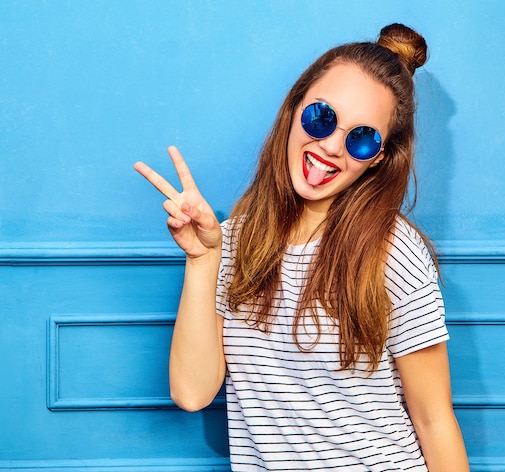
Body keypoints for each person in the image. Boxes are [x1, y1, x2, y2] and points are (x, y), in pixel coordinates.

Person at [135, 23, 469, 472]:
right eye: (321, 118)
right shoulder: (230, 241)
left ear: (380, 157)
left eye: (362, 138)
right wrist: (202, 260)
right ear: (294, 108)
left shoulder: (396, 253)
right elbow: (191, 392)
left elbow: (433, 419)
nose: (331, 146)